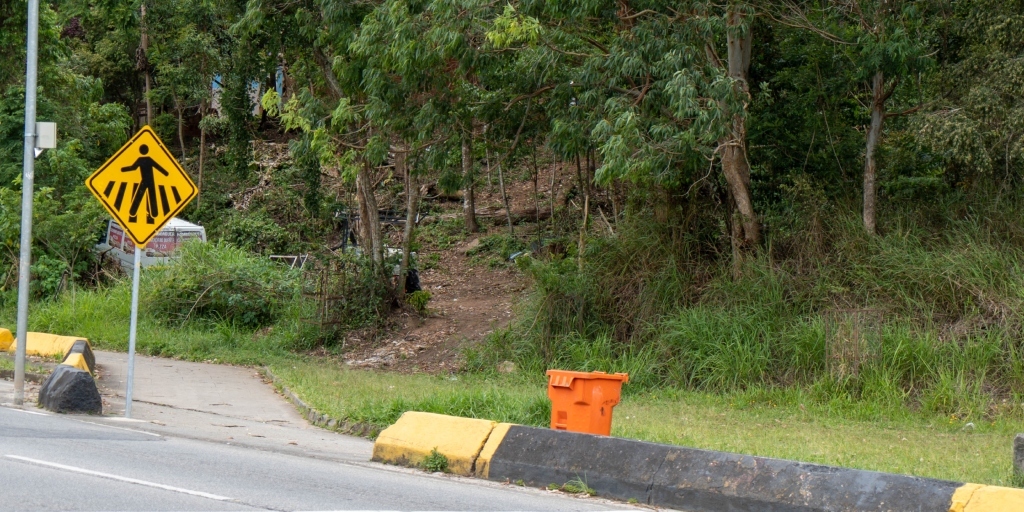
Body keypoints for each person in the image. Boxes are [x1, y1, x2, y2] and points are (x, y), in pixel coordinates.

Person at [121, 144, 169, 224]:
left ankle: (133, 212)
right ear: (147, 151)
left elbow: (133, 168)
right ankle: (154, 213)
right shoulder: (149, 159)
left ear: (140, 151)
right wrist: (166, 173)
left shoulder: (140, 159)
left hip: (144, 181)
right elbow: (158, 167)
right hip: (151, 181)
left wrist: (123, 169)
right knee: (152, 196)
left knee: (139, 195)